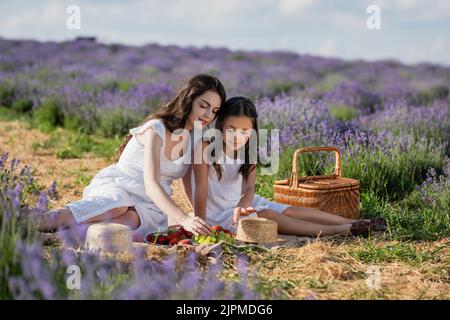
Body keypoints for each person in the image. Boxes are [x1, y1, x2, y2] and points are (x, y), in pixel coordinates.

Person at [39, 74, 227, 241]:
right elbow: (151, 184)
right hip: (121, 186)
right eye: (204, 106)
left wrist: (200, 225)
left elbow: (195, 186)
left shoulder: (195, 139)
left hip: (150, 204)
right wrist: (184, 219)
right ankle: (36, 221)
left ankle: (59, 237)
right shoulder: (156, 129)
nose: (208, 115)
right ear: (189, 100)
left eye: (214, 111)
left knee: (130, 220)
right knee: (118, 206)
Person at [184, 96, 387, 237]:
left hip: (241, 203)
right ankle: (340, 231)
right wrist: (201, 223)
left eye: (244, 131)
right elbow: (200, 188)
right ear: (220, 125)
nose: (238, 137)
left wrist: (242, 206)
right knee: (269, 215)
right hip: (214, 212)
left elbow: (249, 188)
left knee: (290, 210)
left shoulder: (250, 148)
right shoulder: (206, 146)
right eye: (231, 129)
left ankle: (355, 223)